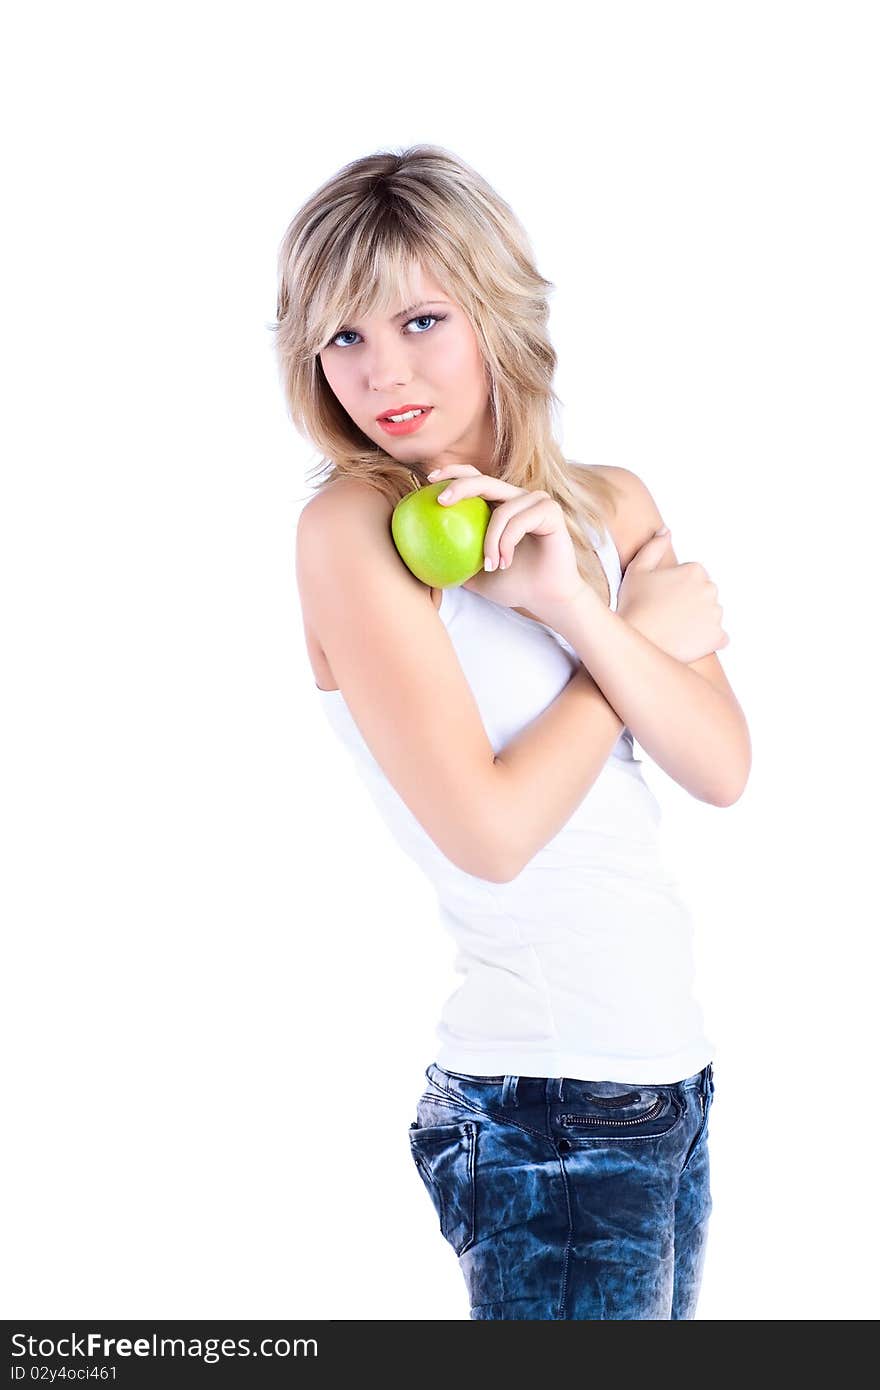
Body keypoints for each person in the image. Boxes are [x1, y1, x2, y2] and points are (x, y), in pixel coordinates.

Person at [272, 144, 751, 1320]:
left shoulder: (610, 504)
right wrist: (616, 645)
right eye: (343, 338)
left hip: (665, 1083)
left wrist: (576, 603)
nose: (383, 371)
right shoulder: (355, 528)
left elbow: (721, 765)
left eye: (421, 317)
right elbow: (489, 835)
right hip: (545, 1104)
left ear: (496, 307)